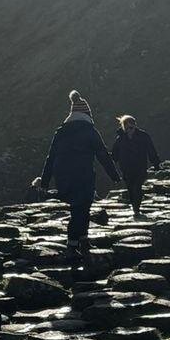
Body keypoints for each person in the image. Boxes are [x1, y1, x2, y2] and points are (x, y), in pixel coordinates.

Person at [36, 90, 120, 259]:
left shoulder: (61, 132)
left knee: (78, 207)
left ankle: (81, 240)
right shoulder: (90, 131)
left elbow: (51, 157)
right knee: (82, 208)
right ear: (87, 115)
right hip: (83, 175)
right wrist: (114, 176)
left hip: (63, 176)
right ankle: (74, 243)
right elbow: (102, 154)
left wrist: (45, 182)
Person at [110, 115, 160, 219]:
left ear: (135, 125)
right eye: (128, 127)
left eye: (132, 127)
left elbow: (151, 150)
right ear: (124, 127)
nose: (130, 129)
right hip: (126, 169)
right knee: (130, 189)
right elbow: (115, 154)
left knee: (137, 187)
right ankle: (135, 207)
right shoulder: (120, 138)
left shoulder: (143, 136)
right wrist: (110, 162)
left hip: (140, 167)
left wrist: (156, 163)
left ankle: (136, 208)